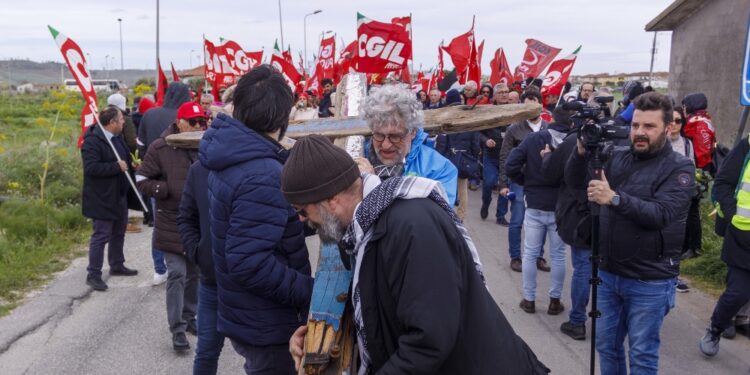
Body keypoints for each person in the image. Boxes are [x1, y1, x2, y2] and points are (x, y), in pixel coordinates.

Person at [283, 135, 550, 374]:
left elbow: (429, 340)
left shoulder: (411, 227)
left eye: (302, 210)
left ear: (330, 199)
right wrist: (320, 335)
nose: (303, 220)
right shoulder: (363, 226)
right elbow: (380, 297)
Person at [565, 92, 694, 374]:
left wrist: (614, 198)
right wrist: (580, 154)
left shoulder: (680, 168)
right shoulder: (618, 157)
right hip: (609, 274)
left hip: (650, 280)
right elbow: (576, 185)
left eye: (649, 126)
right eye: (636, 126)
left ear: (669, 127)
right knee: (606, 347)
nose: (639, 133)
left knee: (642, 355)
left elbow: (661, 214)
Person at [199, 65, 313, 374]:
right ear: (281, 117)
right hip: (268, 322)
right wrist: (309, 290)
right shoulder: (261, 172)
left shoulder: (230, 154)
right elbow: (249, 261)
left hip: (248, 313)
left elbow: (249, 228)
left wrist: (302, 220)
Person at [136, 102, 205, 352]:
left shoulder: (204, 144)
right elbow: (142, 179)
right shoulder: (160, 147)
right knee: (177, 274)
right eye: (193, 121)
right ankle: (176, 329)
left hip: (196, 224)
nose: (198, 126)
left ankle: (189, 317)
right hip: (170, 222)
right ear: (179, 122)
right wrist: (165, 190)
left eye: (202, 121)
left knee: (194, 274)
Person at [506, 106, 570, 315]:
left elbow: (511, 165)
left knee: (531, 253)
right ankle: (554, 299)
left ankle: (529, 298)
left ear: (551, 118)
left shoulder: (535, 139)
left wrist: (526, 182)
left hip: (535, 202)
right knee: (558, 255)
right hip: (560, 204)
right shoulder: (574, 141)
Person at [538, 106, 592, 340]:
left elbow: (549, 173)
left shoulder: (572, 141)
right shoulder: (619, 139)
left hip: (582, 213)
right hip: (606, 212)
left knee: (583, 267)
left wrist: (547, 156)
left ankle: (578, 320)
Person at [697, 133, 750, 357]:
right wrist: (731, 216)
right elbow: (724, 182)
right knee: (737, 293)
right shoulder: (748, 145)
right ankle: (715, 329)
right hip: (743, 237)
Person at [361, 85, 458, 205]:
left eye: (395, 136)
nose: (386, 145)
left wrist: (371, 184)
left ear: (413, 132)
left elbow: (430, 220)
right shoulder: (357, 157)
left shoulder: (439, 170)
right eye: (379, 135)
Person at [138, 82, 191, 285]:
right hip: (184, 179)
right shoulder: (184, 117)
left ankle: (159, 269)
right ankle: (183, 265)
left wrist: (147, 164)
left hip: (156, 180)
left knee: (160, 227)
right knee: (185, 224)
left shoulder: (150, 114)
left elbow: (140, 144)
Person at [81, 106, 139, 291]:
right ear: (112, 123)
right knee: (101, 235)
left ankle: (116, 265)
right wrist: (116, 167)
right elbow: (91, 168)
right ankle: (94, 274)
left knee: (119, 232)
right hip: (102, 197)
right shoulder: (91, 141)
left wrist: (132, 164)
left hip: (119, 194)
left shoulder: (117, 137)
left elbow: (124, 160)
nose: (124, 122)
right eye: (121, 119)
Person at [178, 160, 226, 374]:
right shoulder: (199, 170)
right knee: (206, 352)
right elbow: (186, 217)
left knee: (259, 357)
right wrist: (198, 253)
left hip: (251, 283)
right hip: (211, 281)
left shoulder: (258, 165)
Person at [499, 90, 549, 272]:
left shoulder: (549, 128)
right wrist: (503, 184)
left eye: (533, 103)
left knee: (541, 221)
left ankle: (538, 256)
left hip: (543, 183)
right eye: (526, 104)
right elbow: (505, 157)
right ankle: (516, 257)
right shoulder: (515, 128)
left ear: (540, 105)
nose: (530, 108)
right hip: (519, 181)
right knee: (517, 219)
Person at [435, 90, 481, 220]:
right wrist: (474, 157)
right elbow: (475, 142)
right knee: (462, 189)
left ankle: (445, 214)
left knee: (445, 187)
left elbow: (442, 141)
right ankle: (461, 217)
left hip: (449, 157)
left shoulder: (446, 117)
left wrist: (439, 157)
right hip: (464, 158)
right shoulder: (469, 118)